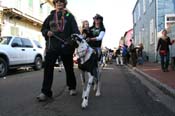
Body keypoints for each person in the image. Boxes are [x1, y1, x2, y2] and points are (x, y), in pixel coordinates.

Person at [37, 0, 80, 101]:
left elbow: (76, 31)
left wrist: (72, 40)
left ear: (64, 4)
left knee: (69, 68)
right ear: (55, 4)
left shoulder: (70, 16)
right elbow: (43, 28)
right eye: (57, 2)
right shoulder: (50, 17)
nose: (59, 3)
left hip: (66, 46)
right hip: (52, 46)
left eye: (61, 1)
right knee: (48, 69)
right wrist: (47, 32)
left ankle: (72, 87)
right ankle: (45, 92)